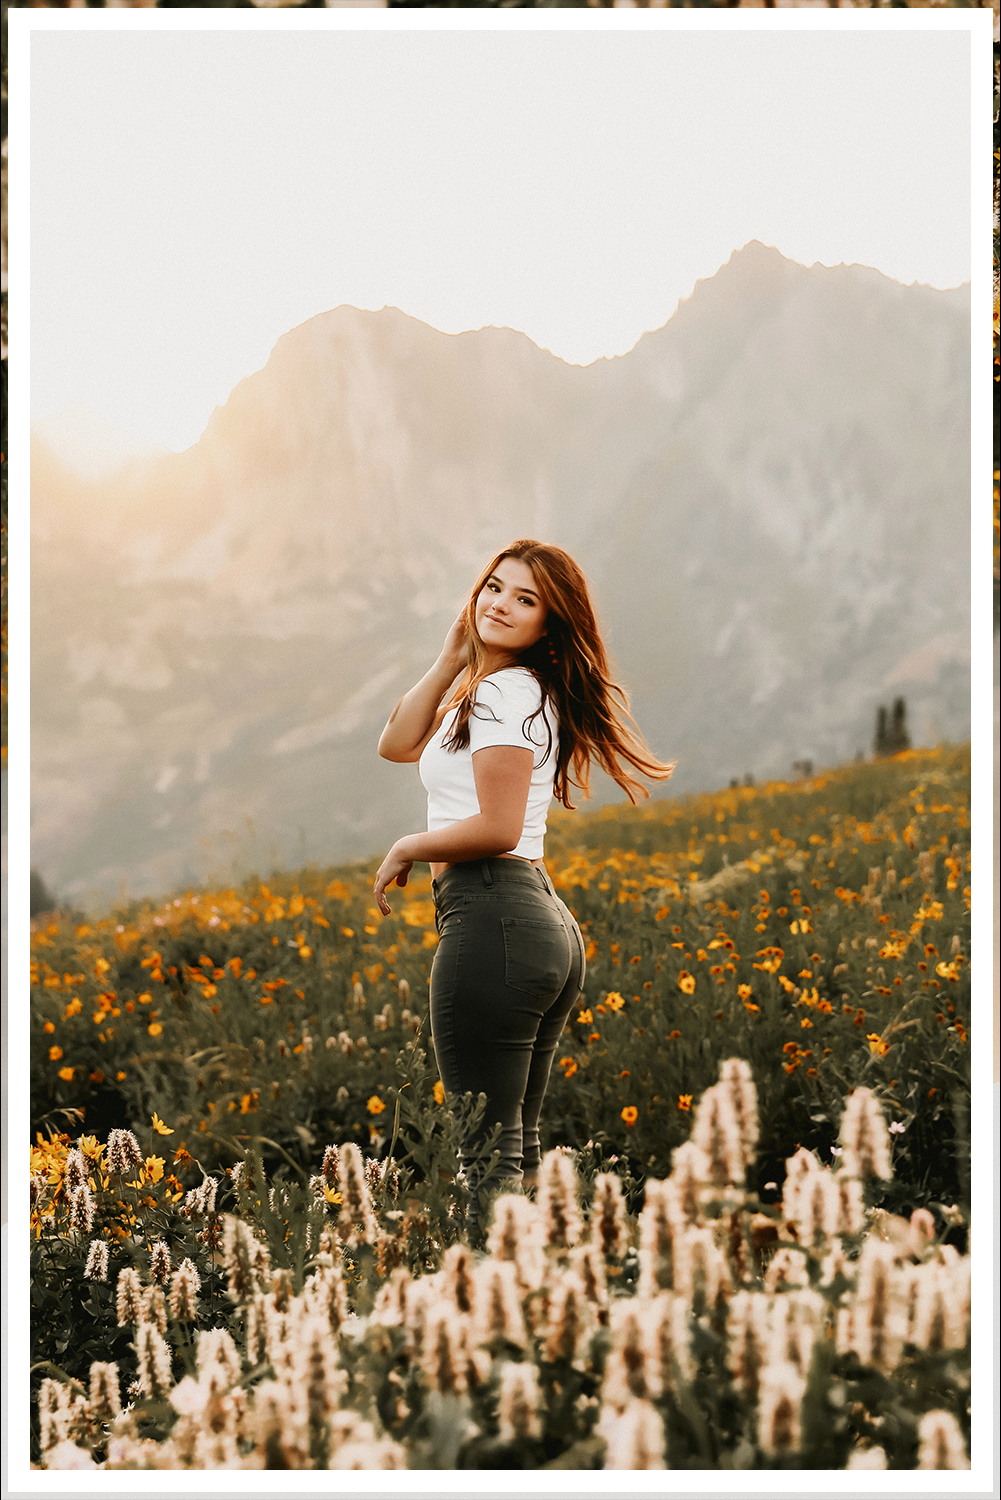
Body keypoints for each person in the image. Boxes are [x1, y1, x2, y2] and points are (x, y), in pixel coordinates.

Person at [374, 539, 675, 1194]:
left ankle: (497, 1291)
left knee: (486, 1165)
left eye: (525, 599)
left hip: (493, 919)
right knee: (517, 1159)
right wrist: (451, 656)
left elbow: (498, 826)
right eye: (494, 587)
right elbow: (395, 743)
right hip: (530, 922)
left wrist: (408, 845)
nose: (501, 604)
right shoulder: (502, 688)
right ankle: (553, 1287)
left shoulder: (502, 695)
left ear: (549, 623)